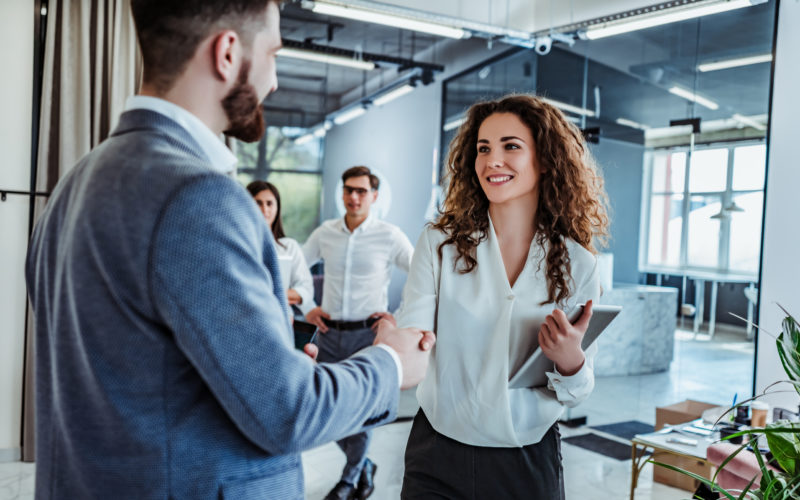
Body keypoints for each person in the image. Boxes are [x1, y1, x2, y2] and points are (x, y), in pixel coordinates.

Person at [24, 2, 435, 499]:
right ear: (227, 53)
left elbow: (137, 374)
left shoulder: (75, 183)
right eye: (273, 54)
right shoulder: (197, 198)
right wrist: (390, 364)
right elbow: (289, 413)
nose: (274, 80)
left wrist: (268, 357)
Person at [397, 94, 610, 499]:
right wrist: (394, 350)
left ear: (545, 159)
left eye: (510, 146)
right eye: (483, 148)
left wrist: (571, 361)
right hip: (437, 451)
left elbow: (577, 389)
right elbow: (414, 336)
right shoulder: (438, 245)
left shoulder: (579, 264)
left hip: (525, 458)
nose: (492, 160)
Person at [303, 165, 415, 500]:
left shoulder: (389, 234)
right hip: (327, 335)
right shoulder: (325, 232)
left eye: (361, 191)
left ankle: (349, 481)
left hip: (366, 337)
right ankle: (364, 464)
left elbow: (422, 275)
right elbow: (295, 268)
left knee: (362, 413)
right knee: (325, 408)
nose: (354, 197)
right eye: (349, 190)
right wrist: (308, 304)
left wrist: (396, 316)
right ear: (342, 193)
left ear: (374, 196)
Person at [247, 180, 314, 317]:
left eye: (269, 203)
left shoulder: (289, 247)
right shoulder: (238, 246)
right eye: (258, 203)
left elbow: (306, 289)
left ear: (277, 208)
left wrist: (272, 294)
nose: (264, 210)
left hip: (280, 321)